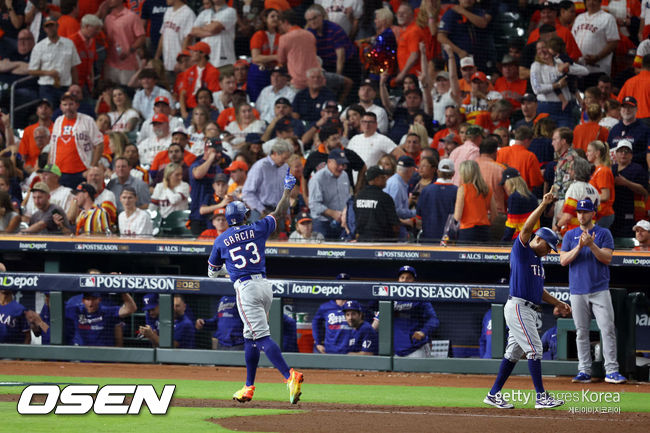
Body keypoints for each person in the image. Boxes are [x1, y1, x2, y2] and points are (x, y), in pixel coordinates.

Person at [206, 169, 304, 404]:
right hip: (264, 286)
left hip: (246, 288)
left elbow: (211, 272)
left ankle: (289, 375)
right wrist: (287, 189)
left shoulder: (220, 240)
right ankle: (248, 387)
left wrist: (228, 269)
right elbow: (279, 213)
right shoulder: (257, 227)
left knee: (261, 337)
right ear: (245, 215)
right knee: (250, 337)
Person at [483, 192, 571, 409]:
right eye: (548, 247)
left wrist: (557, 303)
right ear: (538, 239)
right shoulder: (522, 251)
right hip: (519, 307)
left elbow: (539, 291)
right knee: (535, 349)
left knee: (513, 353)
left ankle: (493, 394)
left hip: (529, 308)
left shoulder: (539, 263)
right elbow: (525, 230)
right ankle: (541, 396)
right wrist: (543, 205)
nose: (549, 252)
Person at [560, 197, 627, 383]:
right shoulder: (570, 235)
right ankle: (584, 371)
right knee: (581, 332)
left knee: (607, 329)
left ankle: (612, 371)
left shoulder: (603, 233)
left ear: (593, 213)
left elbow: (607, 258)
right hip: (578, 289)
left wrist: (591, 244)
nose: (581, 215)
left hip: (599, 289)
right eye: (579, 212)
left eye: (585, 212)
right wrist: (580, 247)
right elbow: (563, 260)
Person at [49, 92, 104, 189]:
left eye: (71, 104)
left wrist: (92, 167)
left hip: (81, 171)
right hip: (59, 172)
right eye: (65, 105)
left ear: (77, 105)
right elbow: (53, 147)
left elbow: (99, 144)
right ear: (61, 107)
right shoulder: (58, 121)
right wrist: (50, 168)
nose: (68, 107)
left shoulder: (88, 120)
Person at [28, 17, 81, 105]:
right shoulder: (39, 47)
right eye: (47, 26)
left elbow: (73, 67)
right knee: (49, 112)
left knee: (66, 112)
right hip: (47, 87)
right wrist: (48, 73)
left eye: (52, 25)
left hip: (65, 86)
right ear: (44, 29)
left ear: (57, 26)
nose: (50, 29)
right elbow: (31, 71)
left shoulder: (69, 44)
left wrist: (75, 85)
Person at [392, 266, 439, 358]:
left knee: (421, 372)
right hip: (397, 350)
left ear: (414, 280)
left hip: (416, 348)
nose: (405, 280)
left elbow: (434, 320)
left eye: (409, 278)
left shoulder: (420, 298)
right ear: (398, 280)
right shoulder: (391, 298)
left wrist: (423, 331)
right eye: (402, 277)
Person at [242, 139, 292, 223]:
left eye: (287, 158)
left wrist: (287, 211)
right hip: (260, 212)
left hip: (279, 212)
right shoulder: (260, 166)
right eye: (284, 158)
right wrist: (262, 210)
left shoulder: (285, 167)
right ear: (275, 153)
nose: (285, 161)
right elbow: (247, 192)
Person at [610, 140, 649, 237]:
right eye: (621, 151)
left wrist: (626, 183)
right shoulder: (612, 169)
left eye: (626, 151)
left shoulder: (637, 169)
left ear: (631, 155)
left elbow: (645, 191)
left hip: (631, 212)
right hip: (614, 212)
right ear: (616, 154)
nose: (623, 154)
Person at [103, 0, 146, 85]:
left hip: (128, 64)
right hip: (111, 63)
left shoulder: (131, 16)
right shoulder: (108, 18)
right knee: (111, 92)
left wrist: (130, 50)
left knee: (127, 92)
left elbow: (141, 37)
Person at [276, 9, 321, 90]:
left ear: (285, 22)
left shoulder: (284, 38)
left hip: (299, 82)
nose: (280, 27)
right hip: (316, 79)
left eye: (281, 24)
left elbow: (281, 60)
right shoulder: (310, 35)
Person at [72, 291, 137, 346]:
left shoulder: (107, 311)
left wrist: (123, 291)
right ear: (83, 301)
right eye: (88, 299)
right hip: (82, 355)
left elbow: (131, 309)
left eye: (94, 299)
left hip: (103, 355)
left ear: (99, 300)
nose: (91, 303)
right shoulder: (76, 311)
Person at [454, 160, 496, 243]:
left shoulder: (463, 189)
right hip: (484, 230)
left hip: (467, 231)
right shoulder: (487, 189)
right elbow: (494, 214)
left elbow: (457, 216)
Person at [352, 166, 399, 242]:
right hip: (382, 242)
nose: (385, 180)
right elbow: (395, 225)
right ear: (376, 179)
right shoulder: (385, 198)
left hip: (362, 241)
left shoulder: (358, 196)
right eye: (383, 177)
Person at [417, 158, 458, 242]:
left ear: (438, 171)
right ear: (453, 173)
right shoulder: (458, 191)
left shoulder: (426, 190)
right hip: (449, 240)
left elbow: (418, 217)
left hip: (428, 238)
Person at [188, 0, 236, 69]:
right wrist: (211, 30)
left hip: (223, 63)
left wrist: (202, 28)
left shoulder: (230, 11)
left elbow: (214, 27)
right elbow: (193, 31)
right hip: (205, 62)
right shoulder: (204, 13)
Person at [501, 168, 540, 242]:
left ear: (510, 182)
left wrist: (503, 243)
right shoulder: (532, 196)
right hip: (533, 238)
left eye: (504, 184)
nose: (504, 187)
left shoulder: (514, 198)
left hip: (519, 240)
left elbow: (511, 226)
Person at [586, 140, 615, 228]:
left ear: (597, 153)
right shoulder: (597, 170)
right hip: (598, 213)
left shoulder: (603, 171)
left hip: (603, 214)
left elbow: (605, 196)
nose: (586, 153)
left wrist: (587, 197)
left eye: (589, 151)